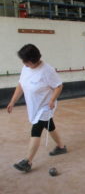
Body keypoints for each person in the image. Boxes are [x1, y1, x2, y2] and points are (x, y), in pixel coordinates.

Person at [7, 44, 67, 172]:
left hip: (45, 107)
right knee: (49, 126)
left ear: (34, 59)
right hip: (34, 106)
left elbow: (58, 86)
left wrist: (52, 100)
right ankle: (61, 147)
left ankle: (27, 162)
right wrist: (12, 101)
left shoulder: (47, 70)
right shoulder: (26, 68)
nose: (24, 63)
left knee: (36, 129)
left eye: (26, 61)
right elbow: (21, 85)